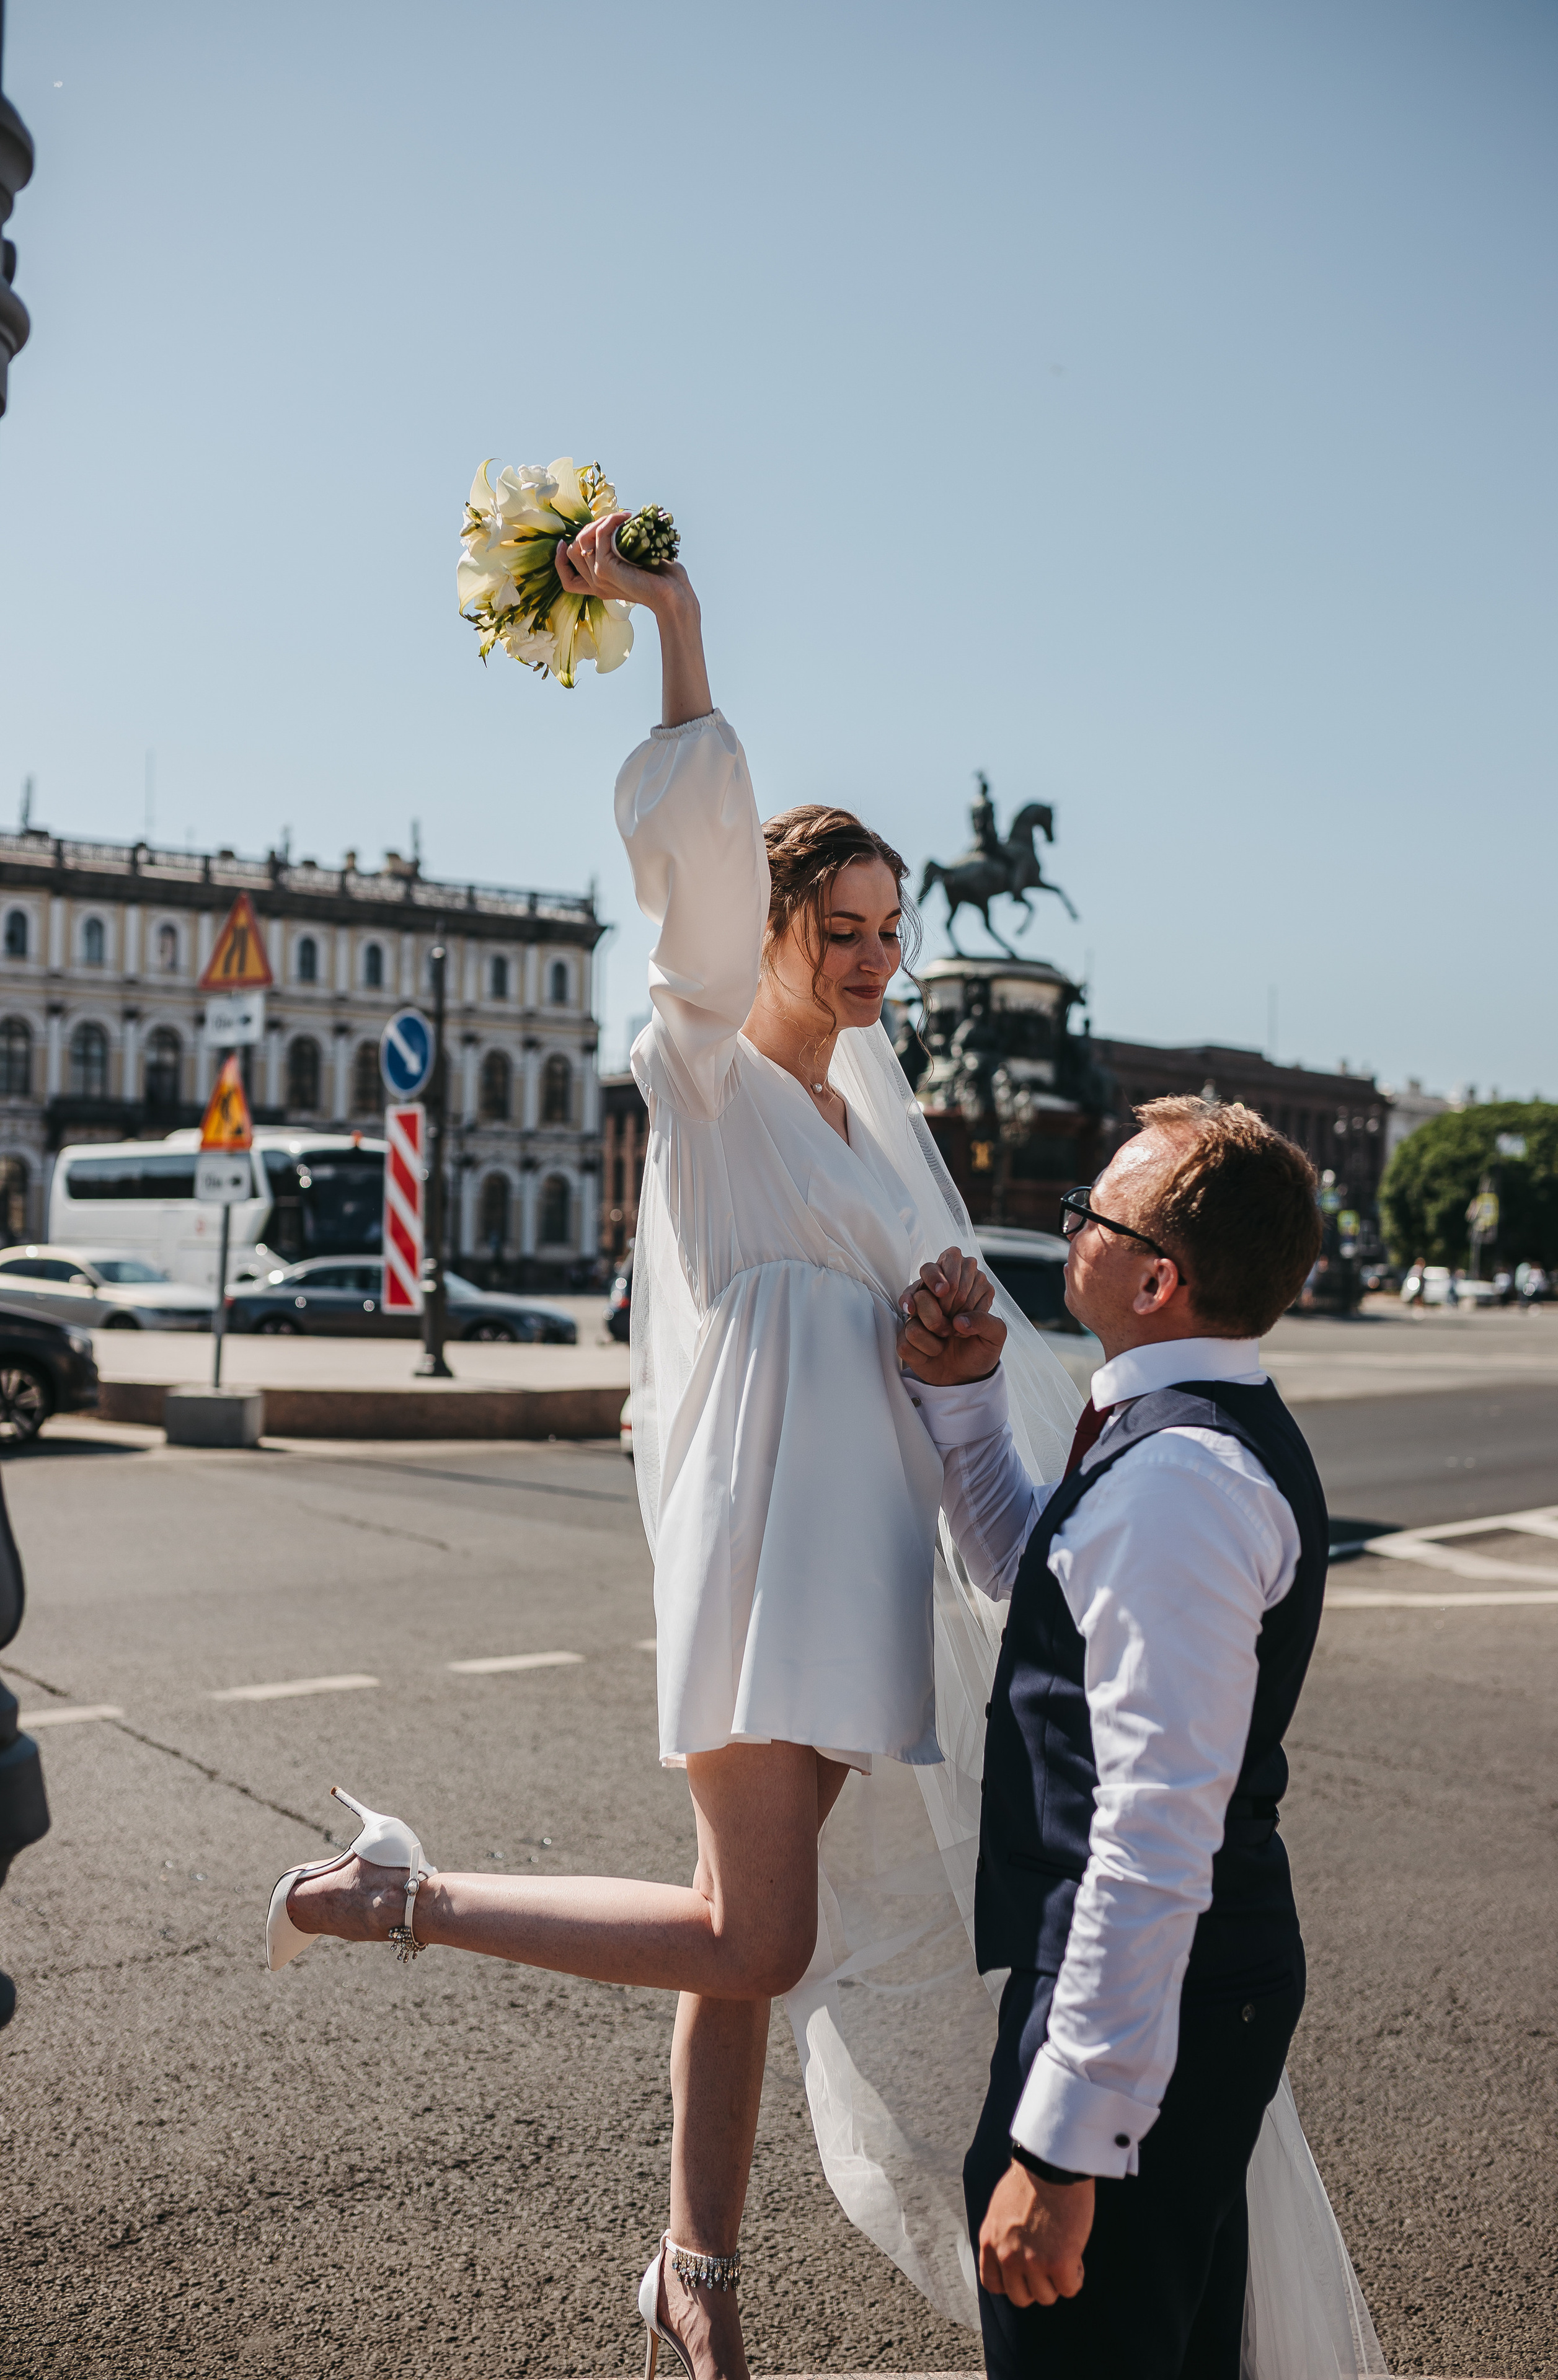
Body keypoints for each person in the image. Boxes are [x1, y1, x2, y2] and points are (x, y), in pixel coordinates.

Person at [262, 508, 1055, 2380]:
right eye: (837, 929)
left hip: (850, 1555)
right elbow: (700, 831)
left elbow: (910, 1346)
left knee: (732, 1941)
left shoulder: (863, 1130)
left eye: (888, 940)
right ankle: (406, 1897)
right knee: (760, 1941)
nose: (869, 966)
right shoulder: (697, 1057)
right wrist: (674, 618)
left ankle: (693, 2272)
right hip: (763, 1547)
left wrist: (952, 1343)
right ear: (772, 923)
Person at [896, 1098, 1386, 2378]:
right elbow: (1039, 1567)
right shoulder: (1171, 1443)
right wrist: (963, 1404)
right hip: (1184, 1991)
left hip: (1151, 1997)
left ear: (1155, 1277)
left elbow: (1153, 1831)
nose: (1066, 1228)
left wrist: (1063, 2149)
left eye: (1090, 1217)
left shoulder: (1180, 1483)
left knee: (1088, 2349)